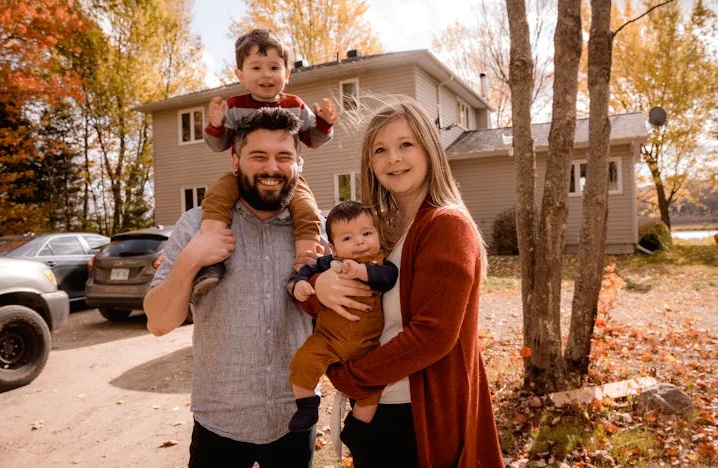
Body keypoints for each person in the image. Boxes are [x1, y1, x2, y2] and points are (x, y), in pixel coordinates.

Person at [302, 97, 505, 467]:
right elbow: (325, 272)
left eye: (405, 145)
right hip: (379, 412)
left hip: (416, 418)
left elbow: (433, 335)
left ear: (429, 149)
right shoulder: (377, 230)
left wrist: (350, 378)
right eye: (380, 149)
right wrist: (318, 286)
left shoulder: (446, 225)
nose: (393, 158)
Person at [143, 108, 324, 467]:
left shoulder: (315, 235)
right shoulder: (197, 225)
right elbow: (158, 323)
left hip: (295, 422)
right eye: (259, 156)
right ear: (236, 159)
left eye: (283, 157)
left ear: (298, 164)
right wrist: (191, 259)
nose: (272, 168)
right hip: (219, 424)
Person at [194, 28, 337, 295]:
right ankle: (210, 261)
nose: (266, 75)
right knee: (216, 197)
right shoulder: (235, 107)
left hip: (290, 180)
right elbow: (220, 144)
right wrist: (216, 125)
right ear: (240, 74)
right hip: (242, 176)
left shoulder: (295, 104)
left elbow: (312, 140)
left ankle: (304, 269)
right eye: (256, 67)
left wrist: (325, 124)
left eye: (274, 67)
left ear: (287, 73)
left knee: (307, 210)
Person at [288, 200, 398, 435]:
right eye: (347, 238)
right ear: (333, 247)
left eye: (367, 233)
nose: (360, 242)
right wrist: (301, 284)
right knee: (302, 362)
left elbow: (389, 277)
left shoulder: (380, 263)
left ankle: (356, 427)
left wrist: (362, 271)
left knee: (372, 391)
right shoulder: (330, 262)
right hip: (328, 338)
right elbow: (308, 269)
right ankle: (307, 405)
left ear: (378, 235)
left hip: (367, 346)